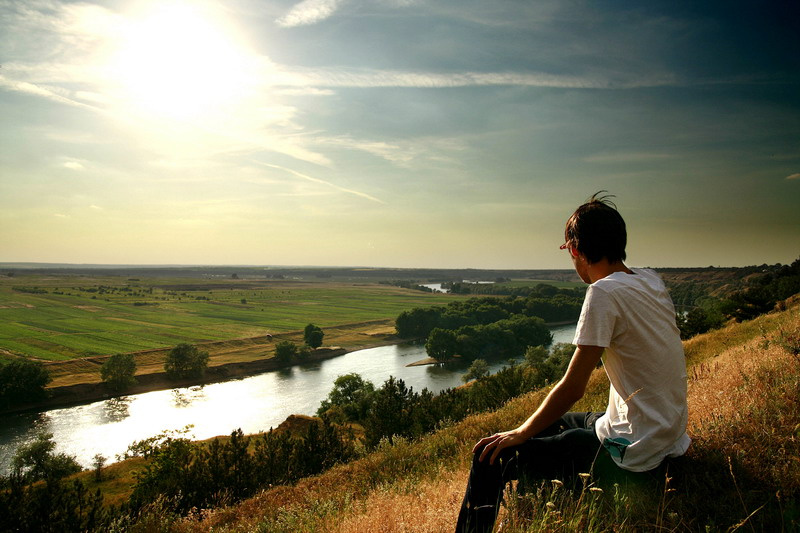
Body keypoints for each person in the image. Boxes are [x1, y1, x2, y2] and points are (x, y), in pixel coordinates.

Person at [454, 192, 690, 533]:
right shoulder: (649, 279)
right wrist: (527, 431)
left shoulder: (603, 293)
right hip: (667, 434)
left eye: (568, 250)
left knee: (489, 456)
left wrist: (520, 433)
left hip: (635, 448)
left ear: (576, 250)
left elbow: (572, 387)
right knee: (552, 425)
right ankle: (535, 505)